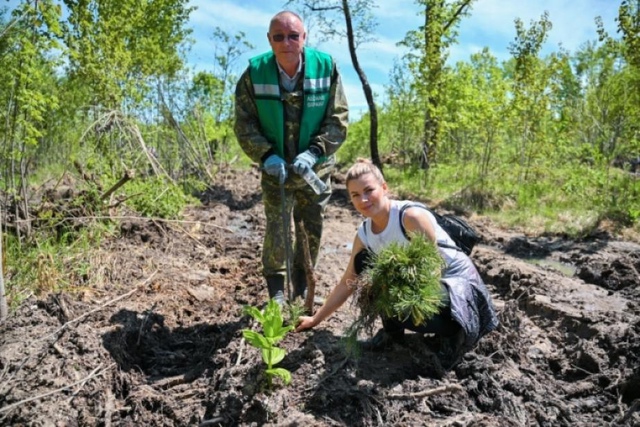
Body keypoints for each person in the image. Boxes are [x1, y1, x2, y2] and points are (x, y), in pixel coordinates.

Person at [296, 159, 499, 369]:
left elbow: (432, 269)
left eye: (369, 190)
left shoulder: (410, 217)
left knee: (392, 291)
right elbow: (348, 280)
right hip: (419, 285)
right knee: (364, 265)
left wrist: (393, 290)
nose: (363, 199)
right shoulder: (364, 233)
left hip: (456, 290)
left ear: (384, 188)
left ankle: (452, 335)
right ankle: (392, 334)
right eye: (356, 195)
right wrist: (315, 320)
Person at [234, 11, 349, 305]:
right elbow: (245, 124)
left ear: (304, 38)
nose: (287, 42)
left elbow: (338, 119)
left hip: (316, 170)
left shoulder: (326, 67)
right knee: (277, 227)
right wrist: (267, 155)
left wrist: (314, 152)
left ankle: (301, 287)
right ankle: (277, 292)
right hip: (277, 171)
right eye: (279, 36)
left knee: (312, 228)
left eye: (293, 36)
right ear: (270, 40)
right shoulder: (254, 74)